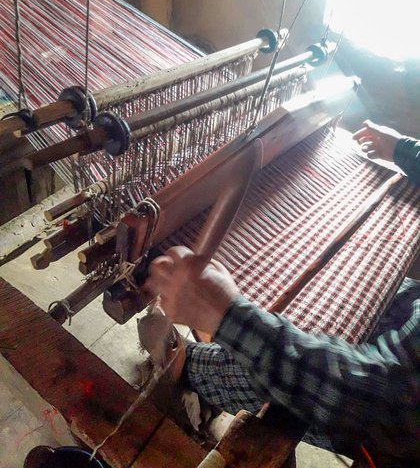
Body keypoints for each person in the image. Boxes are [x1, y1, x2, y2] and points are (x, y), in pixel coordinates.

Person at [143, 121, 420, 467]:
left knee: (252, 369)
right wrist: (403, 149)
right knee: (354, 284)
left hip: (385, 421)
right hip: (408, 320)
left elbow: (376, 403)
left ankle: (181, 365)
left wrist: (225, 315)